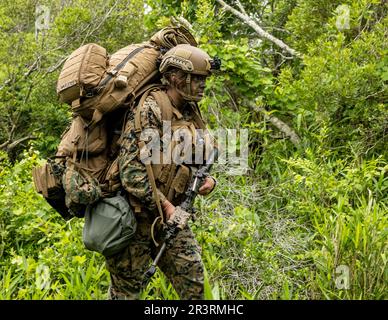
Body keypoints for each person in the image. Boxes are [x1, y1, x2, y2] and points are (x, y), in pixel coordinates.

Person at [105, 44, 219, 300]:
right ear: (176, 77)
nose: (203, 85)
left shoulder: (190, 111)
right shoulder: (150, 109)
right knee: (126, 294)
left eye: (204, 80)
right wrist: (167, 207)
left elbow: (199, 157)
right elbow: (132, 173)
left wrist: (207, 180)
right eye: (197, 79)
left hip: (174, 218)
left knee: (195, 287)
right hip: (136, 221)